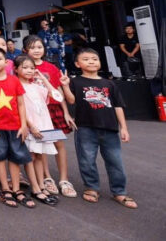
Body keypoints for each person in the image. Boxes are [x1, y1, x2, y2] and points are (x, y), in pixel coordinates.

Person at [59, 49, 138, 209]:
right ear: (77, 64)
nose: (91, 61)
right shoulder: (75, 81)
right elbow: (71, 100)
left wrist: (123, 127)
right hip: (85, 127)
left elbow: (118, 106)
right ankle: (91, 187)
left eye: (94, 59)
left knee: (115, 161)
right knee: (87, 160)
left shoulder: (109, 84)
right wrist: (65, 86)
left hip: (110, 128)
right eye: (86, 59)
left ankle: (119, 192)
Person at [24, 35, 77, 198]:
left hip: (53, 110)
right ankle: (47, 178)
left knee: (59, 144)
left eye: (39, 47)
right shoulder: (24, 67)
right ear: (25, 50)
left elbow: (58, 90)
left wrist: (66, 112)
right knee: (41, 145)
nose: (36, 50)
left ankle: (64, 180)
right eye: (32, 48)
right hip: (36, 112)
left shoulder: (51, 68)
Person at [0, 47, 34, 208]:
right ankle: (5, 188)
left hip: (15, 125)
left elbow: (21, 104)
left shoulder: (14, 80)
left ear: (6, 62)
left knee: (16, 156)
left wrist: (23, 125)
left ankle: (16, 188)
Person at [14, 55, 60, 206]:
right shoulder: (16, 85)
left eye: (32, 68)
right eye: (25, 68)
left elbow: (57, 96)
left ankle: (41, 185)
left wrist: (42, 78)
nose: (29, 71)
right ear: (16, 69)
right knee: (31, 157)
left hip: (43, 126)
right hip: (30, 127)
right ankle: (35, 188)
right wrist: (30, 126)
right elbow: (19, 108)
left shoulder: (37, 87)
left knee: (39, 156)